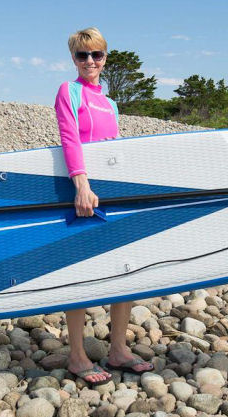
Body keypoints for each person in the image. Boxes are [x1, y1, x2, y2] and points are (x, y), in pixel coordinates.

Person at [54, 27, 154, 385]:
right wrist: (81, 184)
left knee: (123, 270)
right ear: (74, 59)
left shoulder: (110, 103)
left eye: (96, 55)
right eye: (82, 56)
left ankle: (118, 351)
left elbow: (114, 152)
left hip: (113, 195)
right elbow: (69, 137)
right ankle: (78, 357)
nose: (90, 62)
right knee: (81, 272)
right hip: (83, 194)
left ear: (105, 58)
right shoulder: (70, 91)